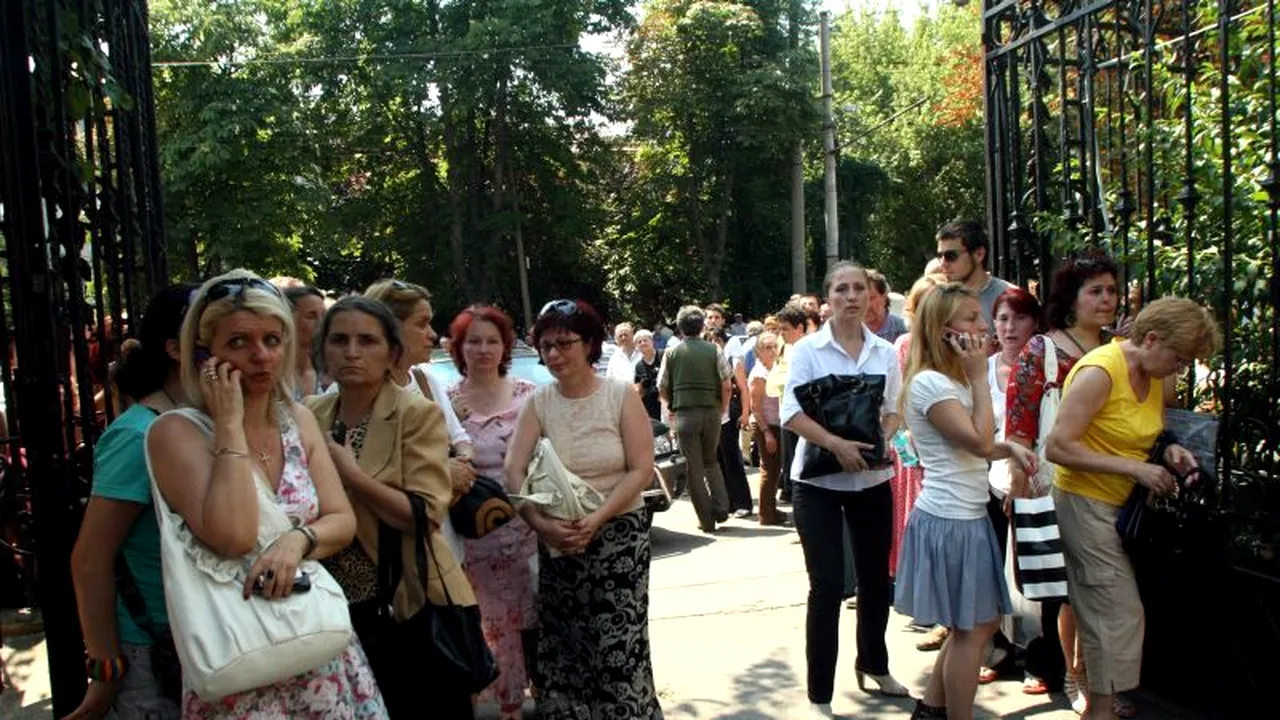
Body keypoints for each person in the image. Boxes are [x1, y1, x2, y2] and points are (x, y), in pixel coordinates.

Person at [144, 270, 386, 718]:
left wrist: (297, 540)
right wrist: (229, 425)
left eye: (272, 340)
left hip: (318, 650)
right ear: (204, 352)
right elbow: (234, 536)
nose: (260, 356)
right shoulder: (175, 433)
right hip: (239, 660)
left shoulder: (297, 419)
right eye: (238, 342)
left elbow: (341, 520)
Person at [1044, 298, 1220, 720]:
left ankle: (1100, 705)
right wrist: (1135, 469)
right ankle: (1100, 709)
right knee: (1116, 613)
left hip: (1123, 509)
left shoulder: (1152, 373)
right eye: (1179, 358)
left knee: (1107, 614)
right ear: (1152, 339)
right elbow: (1058, 447)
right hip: (1085, 504)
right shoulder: (1100, 371)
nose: (1179, 368)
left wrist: (1170, 451)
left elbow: (1147, 433)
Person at [302, 296, 478, 717]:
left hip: (404, 605)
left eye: (367, 341)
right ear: (322, 350)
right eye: (339, 340)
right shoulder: (309, 413)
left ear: (391, 352)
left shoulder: (415, 414)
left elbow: (423, 514)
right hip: (328, 608)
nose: (351, 352)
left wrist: (353, 475)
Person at [505, 299, 662, 719]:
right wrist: (540, 524)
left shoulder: (619, 396)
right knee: (565, 648)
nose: (554, 355)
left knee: (617, 649)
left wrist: (598, 517)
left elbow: (641, 468)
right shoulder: (539, 402)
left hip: (619, 537)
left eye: (564, 343)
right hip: (559, 541)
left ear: (589, 344)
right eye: (546, 346)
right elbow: (513, 470)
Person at [894, 282, 1037, 720]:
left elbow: (980, 445)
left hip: (965, 515)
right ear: (945, 330)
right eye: (973, 318)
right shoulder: (931, 384)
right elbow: (979, 442)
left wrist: (1011, 449)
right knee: (973, 629)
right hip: (950, 519)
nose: (984, 325)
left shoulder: (949, 379)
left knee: (976, 625)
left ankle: (932, 709)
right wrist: (979, 376)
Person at [781, 262, 908, 715]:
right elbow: (790, 413)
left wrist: (880, 439)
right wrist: (836, 444)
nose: (851, 296)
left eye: (859, 289)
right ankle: (820, 694)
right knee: (828, 585)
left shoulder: (885, 352)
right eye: (841, 289)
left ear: (871, 296)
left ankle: (874, 664)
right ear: (827, 298)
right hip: (817, 481)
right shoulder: (808, 350)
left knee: (874, 580)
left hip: (871, 479)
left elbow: (893, 409)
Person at [68, 284, 195, 720]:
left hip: (206, 636)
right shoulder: (136, 434)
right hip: (153, 653)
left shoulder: (209, 423)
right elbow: (90, 560)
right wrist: (105, 670)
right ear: (176, 348)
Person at [1004, 252, 1120, 709]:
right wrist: (1018, 485)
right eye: (1096, 291)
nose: (1107, 299)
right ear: (1072, 299)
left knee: (1102, 588)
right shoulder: (1042, 350)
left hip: (1113, 481)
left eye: (1111, 290)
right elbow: (1019, 426)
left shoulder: (1119, 348)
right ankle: (1077, 675)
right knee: (1071, 589)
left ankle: (1102, 678)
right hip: (1057, 482)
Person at [445, 305, 539, 720]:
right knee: (491, 625)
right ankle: (506, 706)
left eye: (492, 341)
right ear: (459, 348)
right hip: (474, 536)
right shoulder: (444, 401)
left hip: (529, 529)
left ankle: (538, 696)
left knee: (534, 621)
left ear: (505, 347)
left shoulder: (528, 395)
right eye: (474, 341)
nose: (483, 349)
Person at [363, 279, 475, 564]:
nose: (433, 335)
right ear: (390, 328)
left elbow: (460, 438)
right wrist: (441, 472)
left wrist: (463, 463)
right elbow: (360, 476)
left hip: (445, 546)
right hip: (390, 556)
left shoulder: (426, 382)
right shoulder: (353, 394)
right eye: (422, 324)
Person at [979, 287, 1044, 685]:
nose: (1010, 327)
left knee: (1035, 571)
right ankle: (1000, 651)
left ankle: (1039, 659)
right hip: (991, 482)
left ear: (1035, 323)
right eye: (1003, 319)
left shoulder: (1047, 367)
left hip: (1036, 482)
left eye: (1019, 318)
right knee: (994, 573)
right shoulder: (982, 370)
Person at [659, 305, 732, 532]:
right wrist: (723, 407)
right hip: (711, 412)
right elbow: (727, 384)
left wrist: (671, 404)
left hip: (684, 415)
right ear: (702, 327)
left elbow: (661, 385)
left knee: (693, 470)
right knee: (711, 461)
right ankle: (722, 507)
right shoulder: (714, 350)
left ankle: (706, 521)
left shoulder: (671, 353)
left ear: (679, 328)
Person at [935, 219, 1015, 326]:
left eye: (951, 256)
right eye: (940, 256)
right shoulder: (936, 300)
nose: (943, 264)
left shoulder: (1011, 298)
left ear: (979, 254)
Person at [769, 303, 809, 504]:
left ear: (800, 328)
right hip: (787, 410)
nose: (781, 333)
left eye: (785, 329)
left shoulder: (809, 349)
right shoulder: (785, 348)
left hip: (805, 416)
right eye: (780, 329)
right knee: (790, 459)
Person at [748, 331, 783, 525]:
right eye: (768, 347)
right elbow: (755, 408)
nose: (772, 350)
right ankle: (766, 515)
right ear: (759, 351)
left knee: (775, 469)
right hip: (766, 425)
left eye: (775, 346)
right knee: (769, 469)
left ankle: (771, 509)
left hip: (777, 423)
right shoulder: (758, 375)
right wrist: (767, 433)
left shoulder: (776, 368)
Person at [283, 285, 326, 398]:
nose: (321, 323)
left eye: (324, 316)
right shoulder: (275, 373)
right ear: (289, 318)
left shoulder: (329, 373)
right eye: (311, 316)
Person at [865, 270, 909, 344]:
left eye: (871, 298)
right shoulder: (847, 332)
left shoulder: (903, 330)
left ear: (884, 297)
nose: (866, 305)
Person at [632, 329, 663, 420]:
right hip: (649, 408)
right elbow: (638, 390)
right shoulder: (638, 366)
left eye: (645, 340)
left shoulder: (663, 356)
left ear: (652, 342)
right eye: (639, 342)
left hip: (665, 405)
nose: (643, 343)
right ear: (636, 346)